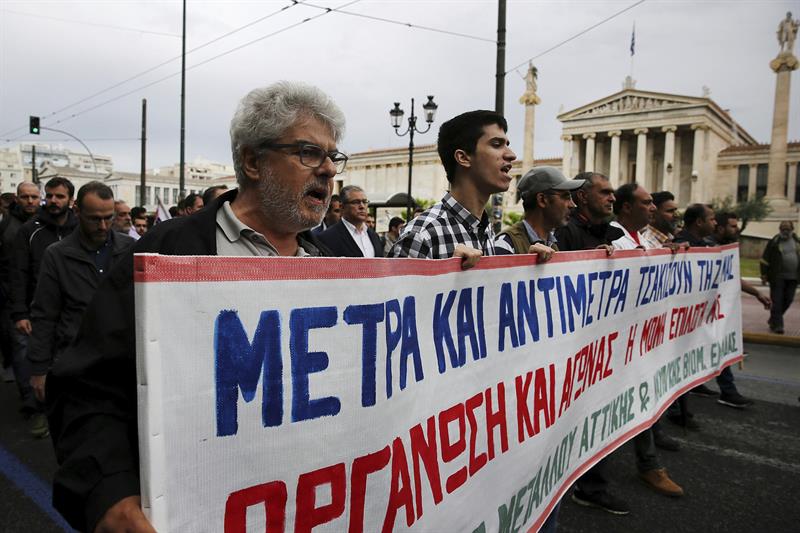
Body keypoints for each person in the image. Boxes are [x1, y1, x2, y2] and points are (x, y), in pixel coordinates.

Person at [46, 81, 344, 532]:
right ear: (252, 161)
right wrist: (111, 494)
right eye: (308, 153)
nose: (328, 170)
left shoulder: (331, 266)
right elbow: (90, 387)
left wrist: (453, 283)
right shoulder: (167, 252)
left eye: (333, 156)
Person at [27, 182, 134, 407]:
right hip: (75, 365)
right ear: (77, 211)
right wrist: (39, 369)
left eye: (108, 218)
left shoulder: (130, 249)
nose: (103, 226)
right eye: (94, 219)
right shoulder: (57, 255)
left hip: (121, 365)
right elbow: (45, 315)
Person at [388, 109, 516, 269]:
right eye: (496, 145)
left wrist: (533, 268)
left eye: (507, 145)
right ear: (463, 157)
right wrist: (448, 271)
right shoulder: (421, 235)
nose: (511, 155)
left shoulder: (484, 229)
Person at [10, 177, 76, 438]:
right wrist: (20, 313)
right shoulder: (29, 231)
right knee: (35, 361)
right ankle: (37, 408)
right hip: (37, 311)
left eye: (60, 196)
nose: (54, 201)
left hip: (70, 312)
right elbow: (18, 274)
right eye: (50, 195)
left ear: (71, 200)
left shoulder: (79, 229)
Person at [0, 183, 41, 394]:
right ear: (17, 199)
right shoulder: (7, 224)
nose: (30, 201)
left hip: (38, 295)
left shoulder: (43, 224)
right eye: (25, 197)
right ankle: (28, 397)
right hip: (11, 296)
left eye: (34, 197)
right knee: (20, 346)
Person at [494, 166, 583, 255]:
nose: (572, 205)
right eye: (565, 197)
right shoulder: (505, 244)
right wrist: (527, 261)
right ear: (542, 200)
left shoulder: (552, 245)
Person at [554, 172, 623, 251]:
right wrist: (592, 255)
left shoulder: (613, 233)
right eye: (605, 193)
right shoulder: (566, 231)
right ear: (583, 196)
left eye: (612, 193)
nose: (613, 199)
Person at [318, 185, 383, 257]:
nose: (362, 206)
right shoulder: (327, 238)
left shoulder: (374, 236)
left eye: (364, 202)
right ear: (342, 207)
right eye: (356, 202)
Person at [761, 221, 799, 334]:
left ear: (792, 229)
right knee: (777, 301)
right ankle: (778, 326)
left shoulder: (797, 242)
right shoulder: (774, 242)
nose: (785, 231)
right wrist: (763, 274)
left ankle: (773, 319)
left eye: (788, 229)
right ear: (779, 229)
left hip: (793, 278)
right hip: (777, 277)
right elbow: (764, 259)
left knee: (788, 300)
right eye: (783, 229)